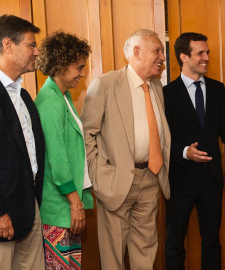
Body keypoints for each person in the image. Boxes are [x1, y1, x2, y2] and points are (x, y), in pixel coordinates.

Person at [81, 29, 170, 269]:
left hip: (150, 179)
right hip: (116, 183)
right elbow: (87, 134)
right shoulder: (105, 84)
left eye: (162, 51)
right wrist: (100, 175)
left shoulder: (156, 87)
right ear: (136, 52)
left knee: (146, 252)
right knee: (113, 257)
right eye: (158, 51)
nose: (163, 57)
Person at [163, 32, 225, 270]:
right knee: (175, 243)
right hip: (179, 179)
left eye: (207, 52)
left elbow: (224, 127)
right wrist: (184, 151)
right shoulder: (167, 94)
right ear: (184, 57)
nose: (207, 57)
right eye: (201, 53)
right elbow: (162, 138)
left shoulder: (218, 89)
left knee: (212, 243)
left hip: (211, 178)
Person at [0, 14, 45, 269]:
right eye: (31, 45)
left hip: (28, 210)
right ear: (7, 45)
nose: (36, 52)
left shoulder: (23, 95)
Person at [34, 31, 94, 269]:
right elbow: (57, 160)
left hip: (65, 205)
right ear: (61, 64)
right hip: (58, 206)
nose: (82, 73)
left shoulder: (63, 96)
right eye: (79, 67)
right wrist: (74, 203)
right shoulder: (50, 101)